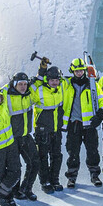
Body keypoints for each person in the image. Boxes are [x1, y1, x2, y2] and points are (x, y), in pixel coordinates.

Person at [59, 58, 103, 188]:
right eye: (76, 71)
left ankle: (94, 175)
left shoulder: (92, 84)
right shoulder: (67, 84)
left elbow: (102, 100)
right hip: (74, 124)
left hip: (90, 124)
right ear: (72, 71)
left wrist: (101, 113)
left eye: (81, 70)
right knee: (73, 152)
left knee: (92, 151)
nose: (79, 73)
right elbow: (54, 83)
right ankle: (72, 177)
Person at [5, 72, 40, 200]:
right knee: (15, 167)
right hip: (11, 138)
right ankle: (15, 191)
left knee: (35, 162)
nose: (23, 87)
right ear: (14, 84)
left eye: (25, 84)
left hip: (25, 136)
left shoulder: (29, 95)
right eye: (20, 84)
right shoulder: (6, 95)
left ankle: (26, 189)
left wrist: (40, 74)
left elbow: (37, 89)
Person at [32, 64, 64, 193]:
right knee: (43, 157)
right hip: (42, 130)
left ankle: (55, 179)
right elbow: (29, 89)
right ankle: (45, 182)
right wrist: (40, 73)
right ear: (47, 80)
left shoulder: (61, 88)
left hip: (56, 129)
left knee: (57, 156)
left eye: (56, 80)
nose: (55, 83)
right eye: (52, 80)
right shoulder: (39, 90)